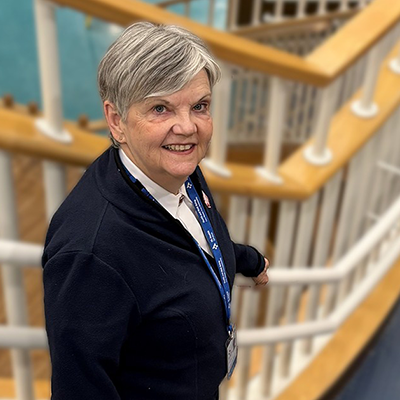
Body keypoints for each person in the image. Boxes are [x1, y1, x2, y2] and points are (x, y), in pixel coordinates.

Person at [42, 22, 269, 400]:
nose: (187, 127)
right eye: (160, 108)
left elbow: (192, 239)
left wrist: (248, 260)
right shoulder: (91, 257)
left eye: (200, 106)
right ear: (116, 120)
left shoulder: (173, 169)